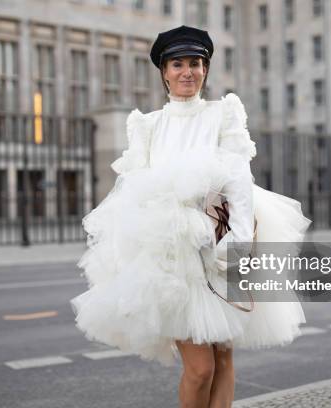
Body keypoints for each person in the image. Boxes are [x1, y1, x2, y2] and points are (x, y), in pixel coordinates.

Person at [70, 25, 311, 407]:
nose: (188, 72)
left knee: (223, 356)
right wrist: (124, 254)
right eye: (178, 64)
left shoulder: (223, 114)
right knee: (199, 369)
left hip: (221, 243)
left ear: (206, 69)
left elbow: (239, 181)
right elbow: (130, 196)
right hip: (171, 259)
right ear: (163, 72)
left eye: (196, 63)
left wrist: (239, 243)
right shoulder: (147, 126)